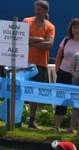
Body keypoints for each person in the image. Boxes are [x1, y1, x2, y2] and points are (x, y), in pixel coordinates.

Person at [24, 0, 55, 129]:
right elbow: (22, 38)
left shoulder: (50, 27)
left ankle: (32, 120)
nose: (37, 11)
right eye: (36, 9)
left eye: (40, 9)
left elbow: (49, 45)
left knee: (34, 93)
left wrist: (31, 43)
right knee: (21, 90)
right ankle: (17, 118)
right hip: (25, 62)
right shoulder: (27, 21)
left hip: (41, 63)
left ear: (46, 11)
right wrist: (38, 39)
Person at [53, 18, 79, 132]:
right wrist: (57, 69)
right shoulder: (66, 40)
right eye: (74, 27)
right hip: (63, 72)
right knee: (61, 99)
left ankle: (73, 128)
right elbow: (59, 56)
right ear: (71, 29)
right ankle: (57, 126)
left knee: (76, 102)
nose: (76, 30)